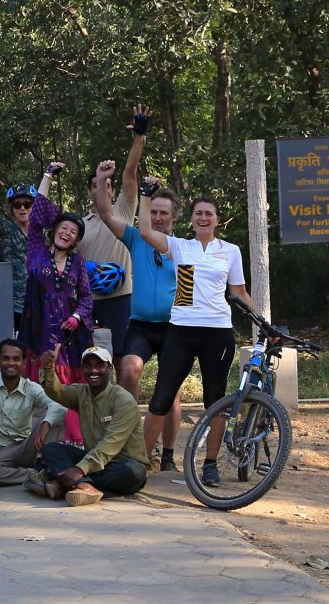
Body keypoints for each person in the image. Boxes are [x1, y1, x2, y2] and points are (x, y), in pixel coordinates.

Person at [137, 190, 258, 486]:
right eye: (198, 213)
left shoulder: (229, 251)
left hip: (217, 331)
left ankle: (211, 464)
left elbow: (238, 293)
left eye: (209, 214)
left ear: (217, 220)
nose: (203, 218)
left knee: (215, 401)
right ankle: (137, 462)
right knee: (161, 399)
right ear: (190, 219)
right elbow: (144, 230)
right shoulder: (180, 247)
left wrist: (265, 324)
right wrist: (144, 195)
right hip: (181, 329)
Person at [93, 160, 182, 471]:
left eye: (163, 213)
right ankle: (132, 439)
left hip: (174, 327)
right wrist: (103, 180)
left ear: (174, 217)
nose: (157, 217)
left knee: (170, 394)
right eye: (153, 211)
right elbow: (105, 213)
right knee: (128, 371)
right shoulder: (135, 238)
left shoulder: (184, 247)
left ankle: (168, 454)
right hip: (142, 325)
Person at [26, 345, 149, 506]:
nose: (93, 370)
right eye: (88, 365)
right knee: (51, 450)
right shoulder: (81, 392)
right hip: (93, 463)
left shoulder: (123, 400)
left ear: (110, 369)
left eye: (99, 365)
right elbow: (57, 392)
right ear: (83, 369)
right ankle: (84, 486)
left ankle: (64, 483)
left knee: (135, 472)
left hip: (120, 464)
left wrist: (79, 469)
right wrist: (48, 368)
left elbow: (110, 444)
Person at [72, 105, 150, 362]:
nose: (100, 188)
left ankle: (127, 404)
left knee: (123, 361)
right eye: (95, 184)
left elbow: (130, 171)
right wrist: (87, 267)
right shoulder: (78, 225)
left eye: (106, 184)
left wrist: (139, 135)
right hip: (87, 299)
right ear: (89, 191)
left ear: (113, 191)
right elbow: (67, 261)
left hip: (121, 297)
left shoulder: (123, 212)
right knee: (90, 363)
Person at [17, 190, 93, 444]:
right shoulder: (36, 250)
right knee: (50, 386)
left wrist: (77, 316)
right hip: (40, 331)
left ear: (76, 240)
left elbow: (86, 298)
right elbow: (37, 213)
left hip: (69, 335)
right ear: (55, 229)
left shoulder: (78, 263)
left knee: (70, 388)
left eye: (73, 232)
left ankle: (76, 441)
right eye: (64, 227)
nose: (67, 233)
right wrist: (48, 175)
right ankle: (49, 442)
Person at [0, 339, 66, 486]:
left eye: (16, 359)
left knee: (55, 417)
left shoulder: (31, 387)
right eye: (6, 358)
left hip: (26, 447)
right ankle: (39, 475)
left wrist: (46, 424)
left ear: (24, 363)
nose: (11, 363)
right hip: (0, 452)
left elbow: (58, 404)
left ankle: (45, 464)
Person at [0, 162, 58, 332]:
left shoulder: (43, 234)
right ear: (11, 208)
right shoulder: (6, 229)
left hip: (40, 302)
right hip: (12, 306)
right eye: (17, 204)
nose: (22, 208)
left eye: (27, 204)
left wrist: (49, 175)